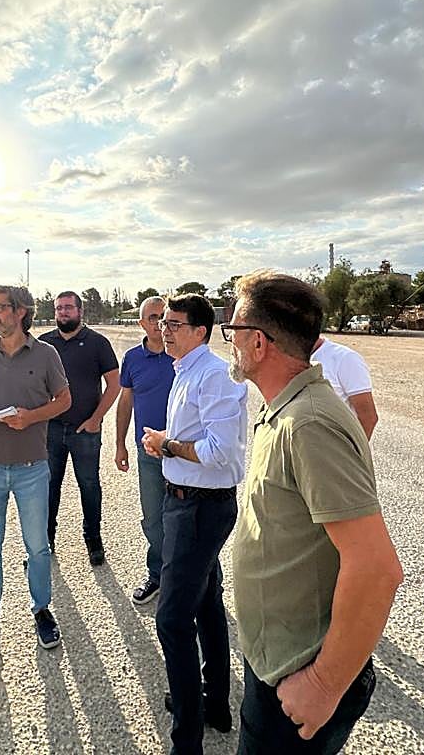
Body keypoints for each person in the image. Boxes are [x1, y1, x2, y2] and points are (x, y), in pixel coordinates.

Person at [223, 271, 403, 754]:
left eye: (233, 331)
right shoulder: (286, 409)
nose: (230, 343)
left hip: (298, 671)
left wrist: (323, 685)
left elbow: (377, 568)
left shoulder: (309, 423)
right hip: (278, 658)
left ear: (257, 342)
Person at [140, 293, 248, 755]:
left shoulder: (214, 375)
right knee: (205, 603)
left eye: (175, 324)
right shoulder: (185, 369)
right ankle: (215, 704)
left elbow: (220, 451)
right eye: (163, 322)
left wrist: (167, 446)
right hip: (183, 502)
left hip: (201, 507)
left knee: (171, 619)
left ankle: (186, 740)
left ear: (201, 331)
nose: (164, 330)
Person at [0, 285, 72, 656]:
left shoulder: (45, 355)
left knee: (38, 547)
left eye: (1, 308)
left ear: (21, 311)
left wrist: (31, 418)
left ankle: (42, 610)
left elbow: (64, 400)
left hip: (31, 468)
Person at [39, 291, 120, 566]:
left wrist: (97, 418)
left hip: (86, 430)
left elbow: (114, 384)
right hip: (51, 430)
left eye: (68, 308)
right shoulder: (44, 344)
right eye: (59, 308)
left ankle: (93, 541)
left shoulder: (98, 343)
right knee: (48, 486)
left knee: (89, 485)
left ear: (80, 311)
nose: (63, 312)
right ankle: (45, 541)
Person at [113, 295, 175, 605]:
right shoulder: (133, 359)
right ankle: (158, 574)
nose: (159, 322)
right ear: (141, 323)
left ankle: (197, 578)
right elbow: (125, 402)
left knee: (189, 517)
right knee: (153, 518)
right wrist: (119, 443)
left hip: (183, 453)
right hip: (147, 454)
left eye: (163, 316)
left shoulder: (183, 356)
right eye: (152, 317)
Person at [311, 335, 379, 439]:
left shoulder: (344, 358)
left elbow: (368, 417)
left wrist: (353, 453)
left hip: (336, 450)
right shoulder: (285, 358)